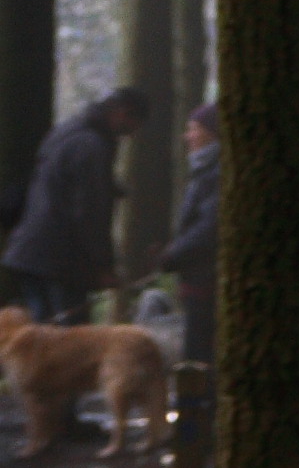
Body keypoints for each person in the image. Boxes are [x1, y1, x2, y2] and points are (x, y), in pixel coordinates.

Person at [2, 88, 144, 330]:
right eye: (135, 123)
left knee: (42, 333)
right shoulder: (93, 145)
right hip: (61, 259)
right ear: (122, 113)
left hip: (29, 250)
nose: (133, 132)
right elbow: (90, 212)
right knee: (72, 338)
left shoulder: (66, 130)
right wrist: (103, 266)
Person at [153, 102, 217, 365]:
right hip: (197, 277)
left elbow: (209, 227)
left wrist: (174, 254)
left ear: (212, 133)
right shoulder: (204, 169)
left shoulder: (217, 172)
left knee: (199, 354)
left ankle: (201, 404)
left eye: (194, 129)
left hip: (205, 279)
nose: (187, 136)